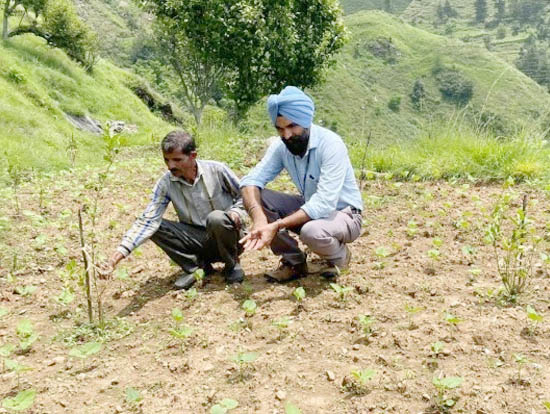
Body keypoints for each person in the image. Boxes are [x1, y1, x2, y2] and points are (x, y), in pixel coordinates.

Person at [239, 86, 363, 282]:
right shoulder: (282, 147)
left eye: (292, 127)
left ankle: (340, 257)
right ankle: (294, 262)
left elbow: (324, 203)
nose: (287, 135)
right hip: (311, 208)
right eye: (280, 128)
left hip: (344, 215)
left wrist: (277, 225)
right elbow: (250, 181)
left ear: (306, 122)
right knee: (258, 197)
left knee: (311, 231)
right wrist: (259, 218)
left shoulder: (331, 145)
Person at [101, 130, 246, 289]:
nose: (171, 165)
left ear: (193, 156)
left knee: (216, 218)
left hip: (228, 235)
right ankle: (197, 267)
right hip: (197, 238)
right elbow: (147, 221)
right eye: (166, 160)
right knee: (155, 226)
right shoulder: (166, 183)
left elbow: (246, 196)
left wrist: (236, 212)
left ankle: (232, 264)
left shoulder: (217, 170)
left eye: (177, 160)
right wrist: (115, 258)